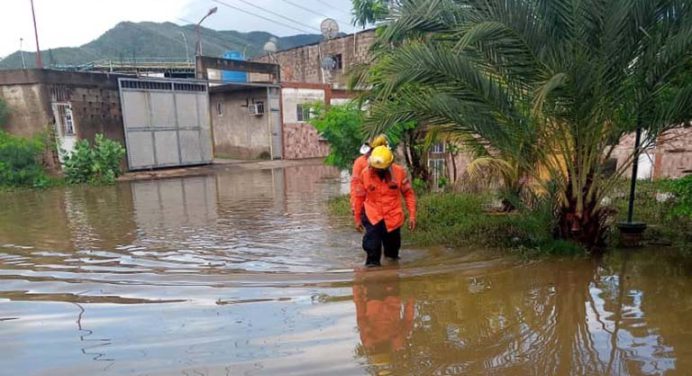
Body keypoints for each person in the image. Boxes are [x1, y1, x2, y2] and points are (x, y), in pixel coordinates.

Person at [353, 145, 417, 267]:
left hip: (393, 218)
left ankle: (392, 279)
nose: (377, 171)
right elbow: (359, 197)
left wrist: (412, 215)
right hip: (373, 216)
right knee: (372, 250)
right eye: (375, 168)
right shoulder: (365, 174)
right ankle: (373, 278)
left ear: (389, 165)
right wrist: (357, 218)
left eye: (381, 169)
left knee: (392, 255)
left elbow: (408, 194)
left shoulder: (399, 173)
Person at [350, 134, 389, 212]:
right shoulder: (360, 162)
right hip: (368, 205)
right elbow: (355, 184)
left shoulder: (388, 160)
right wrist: (355, 204)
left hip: (387, 205)